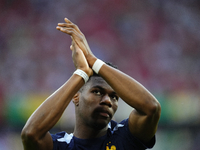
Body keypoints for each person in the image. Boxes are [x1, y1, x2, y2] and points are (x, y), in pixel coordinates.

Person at [21, 18, 161, 150]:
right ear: (75, 97)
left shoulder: (125, 138)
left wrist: (93, 60)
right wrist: (81, 73)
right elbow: (30, 134)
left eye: (114, 97)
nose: (107, 101)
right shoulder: (61, 146)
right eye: (97, 92)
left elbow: (151, 108)